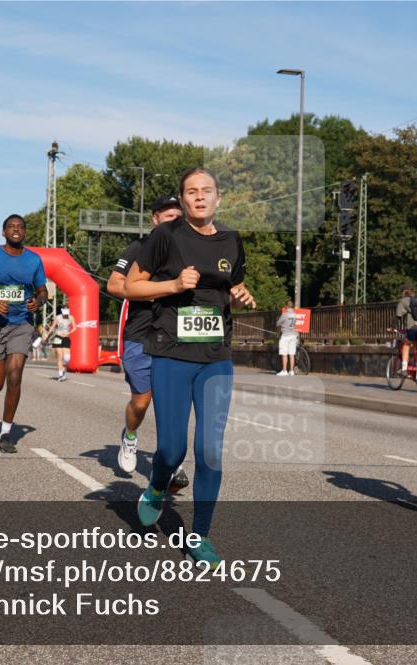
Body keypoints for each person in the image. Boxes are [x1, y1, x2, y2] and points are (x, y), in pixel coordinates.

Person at [125, 168, 256, 569]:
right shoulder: (165, 237)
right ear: (182, 201)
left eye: (207, 191)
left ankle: (199, 536)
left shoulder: (232, 241)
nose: (199, 197)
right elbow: (130, 287)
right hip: (171, 353)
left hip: (215, 358)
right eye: (191, 192)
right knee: (171, 449)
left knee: (210, 451)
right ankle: (157, 486)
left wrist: (239, 291)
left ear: (219, 197)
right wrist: (173, 286)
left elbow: (228, 288)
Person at [108, 194, 189, 491]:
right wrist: (157, 290)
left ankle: (173, 462)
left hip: (176, 337)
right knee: (142, 402)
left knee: (172, 403)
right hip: (140, 336)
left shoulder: (187, 251)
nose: (173, 222)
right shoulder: (139, 248)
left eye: (177, 217)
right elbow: (114, 284)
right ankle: (130, 436)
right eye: (167, 217)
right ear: (155, 219)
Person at [0, 214, 48, 453]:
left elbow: (43, 290)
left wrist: (39, 301)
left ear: (25, 233)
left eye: (20, 227)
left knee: (15, 376)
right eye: (11, 227)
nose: (16, 230)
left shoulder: (34, 260)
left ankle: (5, 433)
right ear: (3, 232)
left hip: (21, 324)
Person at [394, 285, 417, 375]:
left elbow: (398, 317)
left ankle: (404, 369)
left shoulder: (404, 301)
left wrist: (392, 327)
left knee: (406, 344)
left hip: (414, 327)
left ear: (403, 292)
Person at [43, 307, 72, 381]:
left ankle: (64, 371)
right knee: (60, 356)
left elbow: (75, 327)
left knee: (67, 358)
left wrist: (68, 333)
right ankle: (61, 374)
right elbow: (52, 327)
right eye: (64, 314)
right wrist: (47, 336)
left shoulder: (71, 317)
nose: (66, 315)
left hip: (66, 338)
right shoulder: (58, 318)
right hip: (58, 338)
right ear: (62, 312)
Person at [276, 299, 298, 376]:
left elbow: (278, 323)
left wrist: (282, 325)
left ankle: (284, 370)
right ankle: (291, 371)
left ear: (286, 306)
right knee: (292, 354)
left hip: (285, 335)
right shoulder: (295, 314)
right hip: (293, 335)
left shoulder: (285, 314)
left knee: (284, 353)